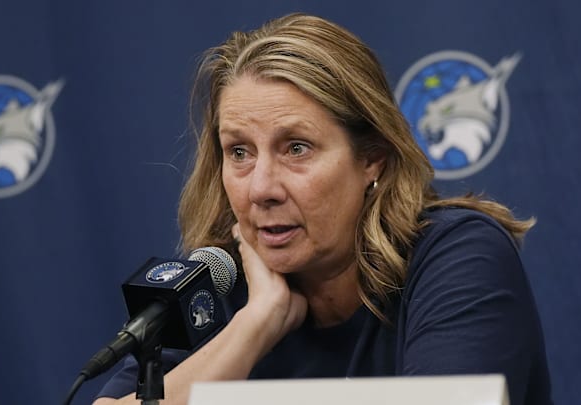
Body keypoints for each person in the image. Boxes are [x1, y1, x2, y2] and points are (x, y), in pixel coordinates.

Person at [94, 13, 552, 405]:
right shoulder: (218, 280)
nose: (261, 188)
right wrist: (257, 324)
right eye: (239, 152)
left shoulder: (456, 255)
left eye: (296, 148)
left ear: (372, 157)